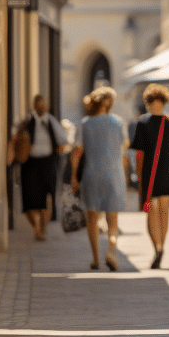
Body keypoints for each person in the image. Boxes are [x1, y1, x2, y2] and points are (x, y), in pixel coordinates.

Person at [129, 84, 169, 269]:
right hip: (168, 171)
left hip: (150, 173)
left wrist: (139, 178)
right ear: (164, 102)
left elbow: (139, 154)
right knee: (164, 210)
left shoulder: (142, 124)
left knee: (152, 211)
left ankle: (156, 247)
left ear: (148, 103)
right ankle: (161, 246)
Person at [70, 87, 129, 271]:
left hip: (92, 174)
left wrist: (73, 177)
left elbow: (77, 153)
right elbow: (124, 151)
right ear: (108, 103)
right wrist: (125, 176)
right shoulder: (118, 122)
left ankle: (96, 258)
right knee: (113, 219)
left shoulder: (85, 123)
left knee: (92, 218)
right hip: (114, 174)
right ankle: (111, 249)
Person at [19, 95, 68, 241]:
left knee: (47, 196)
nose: (41, 107)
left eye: (43, 104)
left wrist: (58, 155)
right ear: (34, 106)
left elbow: (62, 140)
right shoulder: (27, 122)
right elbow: (17, 137)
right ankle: (37, 226)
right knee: (29, 199)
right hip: (30, 163)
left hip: (48, 163)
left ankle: (43, 229)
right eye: (38, 104)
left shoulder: (51, 121)